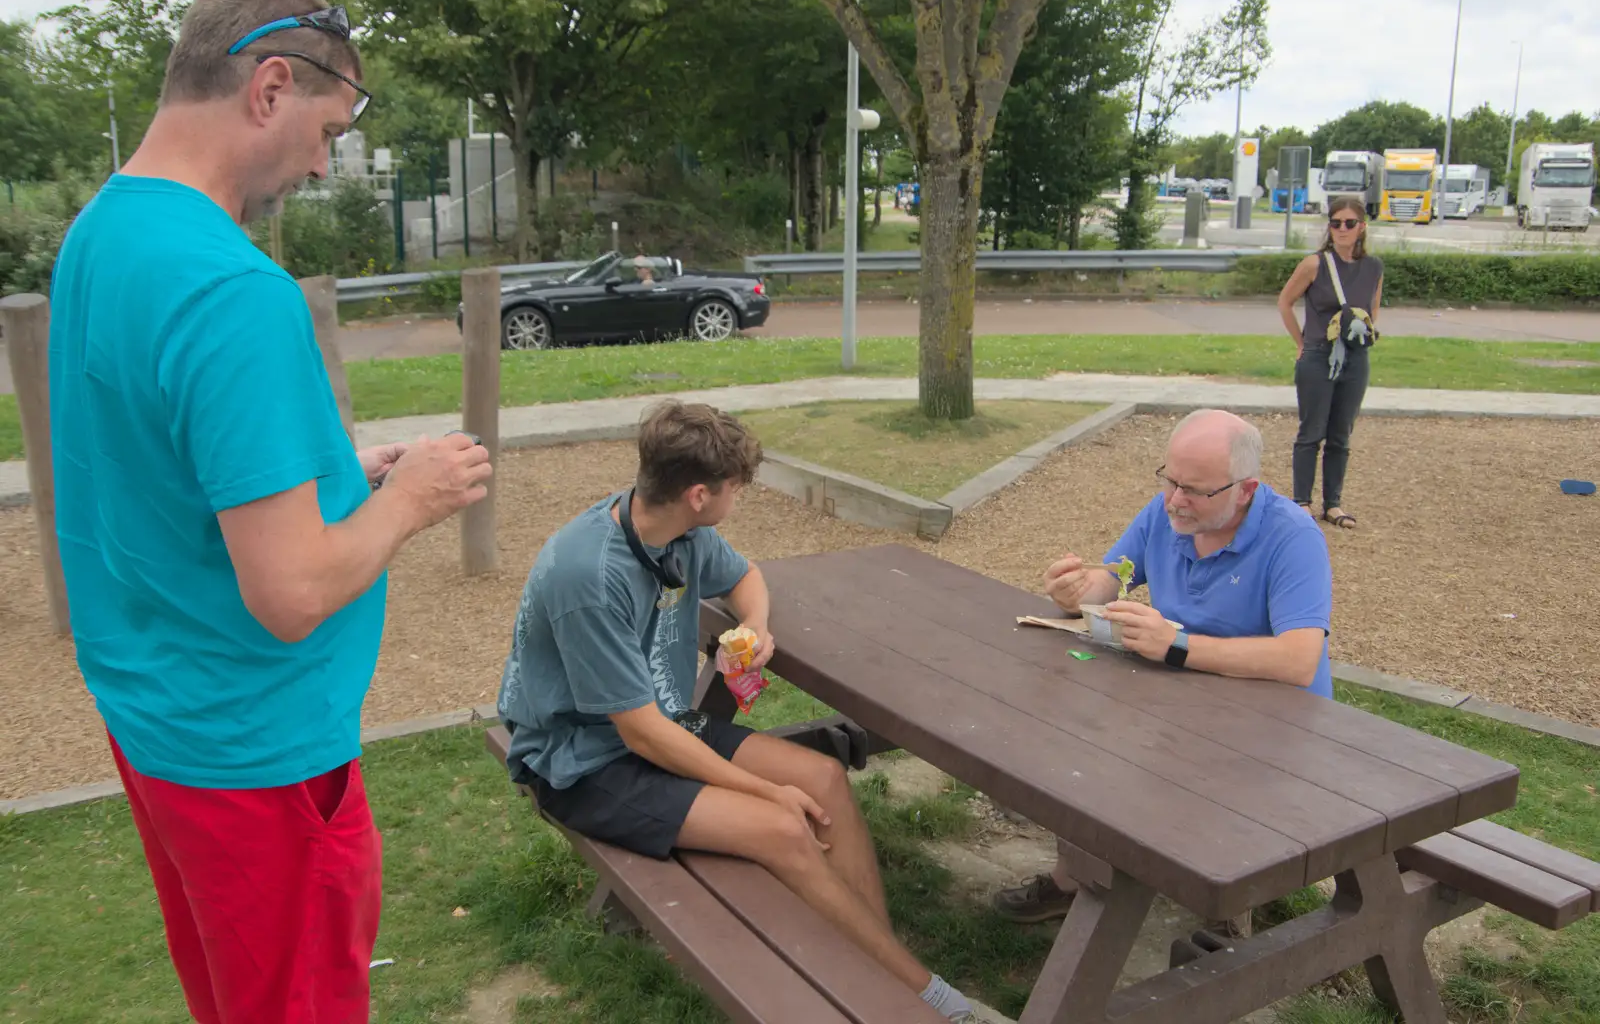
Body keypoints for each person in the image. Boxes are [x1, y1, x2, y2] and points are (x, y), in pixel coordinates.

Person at [47, 0, 491, 1022]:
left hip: (158, 718)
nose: (323, 162)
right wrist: (413, 497)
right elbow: (290, 591)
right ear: (270, 86)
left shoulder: (102, 233)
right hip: (255, 754)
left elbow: (162, 465)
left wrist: (342, 476)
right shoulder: (232, 290)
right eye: (327, 130)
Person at [495, 400, 982, 1022]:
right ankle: (937, 1004)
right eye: (736, 488)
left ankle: (880, 972)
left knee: (825, 779)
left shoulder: (676, 528)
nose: (740, 498)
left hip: (663, 723)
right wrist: (762, 792)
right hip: (582, 762)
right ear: (699, 493)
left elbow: (745, 574)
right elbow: (640, 735)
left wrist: (753, 625)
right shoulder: (587, 575)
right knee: (782, 829)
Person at [989, 409, 1333, 933]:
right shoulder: (1168, 514)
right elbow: (1110, 581)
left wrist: (1177, 646)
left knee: (1152, 761)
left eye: (1194, 489)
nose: (1175, 499)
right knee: (1070, 735)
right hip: (1185, 697)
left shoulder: (1294, 536)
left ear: (1245, 489)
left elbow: (1298, 658)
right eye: (1169, 480)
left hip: (1276, 725)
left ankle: (1227, 914)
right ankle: (1074, 877)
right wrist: (1072, 593)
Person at [1275, 195, 1385, 530]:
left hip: (1354, 357)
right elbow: (1285, 302)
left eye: (1349, 223)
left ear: (1361, 228)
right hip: (1319, 355)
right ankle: (1302, 501)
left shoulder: (1373, 267)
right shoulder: (1315, 264)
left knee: (1341, 433)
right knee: (1312, 431)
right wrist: (1301, 343)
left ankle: (1333, 503)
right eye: (1336, 223)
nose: (1342, 229)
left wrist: (1360, 338)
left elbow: (1372, 310)